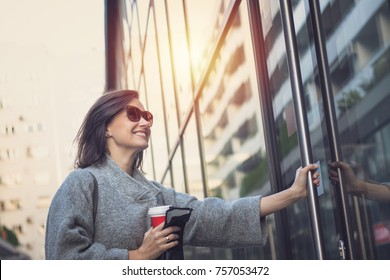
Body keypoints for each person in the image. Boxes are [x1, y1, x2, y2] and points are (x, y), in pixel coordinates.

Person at [45, 89, 320, 260]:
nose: (144, 122)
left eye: (147, 116)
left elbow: (213, 216)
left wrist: (292, 194)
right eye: (133, 114)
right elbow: (64, 255)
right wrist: (136, 257)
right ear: (106, 127)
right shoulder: (82, 183)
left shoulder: (156, 194)